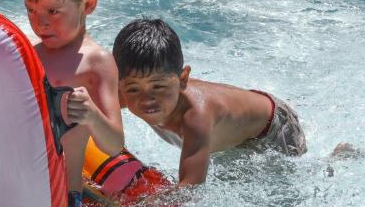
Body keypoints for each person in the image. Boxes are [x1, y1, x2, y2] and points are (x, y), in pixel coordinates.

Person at [113, 18, 308, 186]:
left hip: (273, 128)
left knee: (292, 187)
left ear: (183, 79)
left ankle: (333, 161)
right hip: (232, 133)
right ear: (120, 84)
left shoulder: (196, 119)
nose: (146, 99)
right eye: (133, 89)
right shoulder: (126, 92)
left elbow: (190, 189)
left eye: (158, 87)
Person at [21, 0, 124, 207]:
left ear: (88, 5)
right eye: (30, 10)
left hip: (63, 199)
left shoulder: (96, 62)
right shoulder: (30, 55)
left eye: (53, 11)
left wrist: (91, 115)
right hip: (21, 189)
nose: (39, 22)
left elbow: (114, 144)